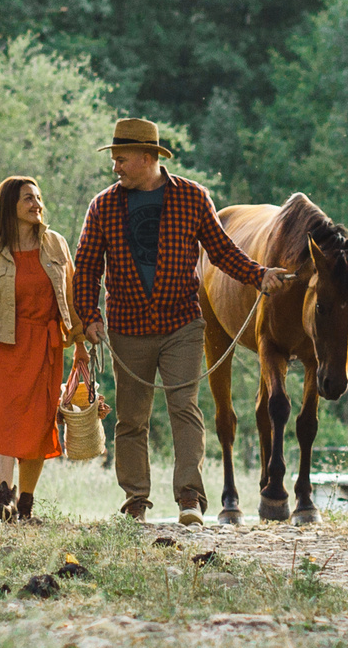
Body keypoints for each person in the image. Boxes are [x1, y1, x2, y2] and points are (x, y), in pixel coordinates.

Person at [70, 117, 290, 523]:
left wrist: (259, 276)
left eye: (121, 159)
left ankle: (190, 499)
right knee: (131, 418)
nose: (115, 166)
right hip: (126, 326)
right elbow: (86, 267)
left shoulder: (192, 197)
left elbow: (222, 251)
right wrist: (88, 315)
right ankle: (135, 501)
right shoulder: (102, 205)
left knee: (184, 408)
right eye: (114, 159)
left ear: (146, 157)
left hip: (182, 325)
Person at [0, 175, 81, 523]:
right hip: (1, 345)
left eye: (38, 197)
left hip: (46, 344)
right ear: (8, 207)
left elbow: (70, 296)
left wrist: (80, 343)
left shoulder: (55, 244)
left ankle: (26, 504)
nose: (36, 204)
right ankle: (4, 499)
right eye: (28, 198)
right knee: (1, 421)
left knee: (39, 423)